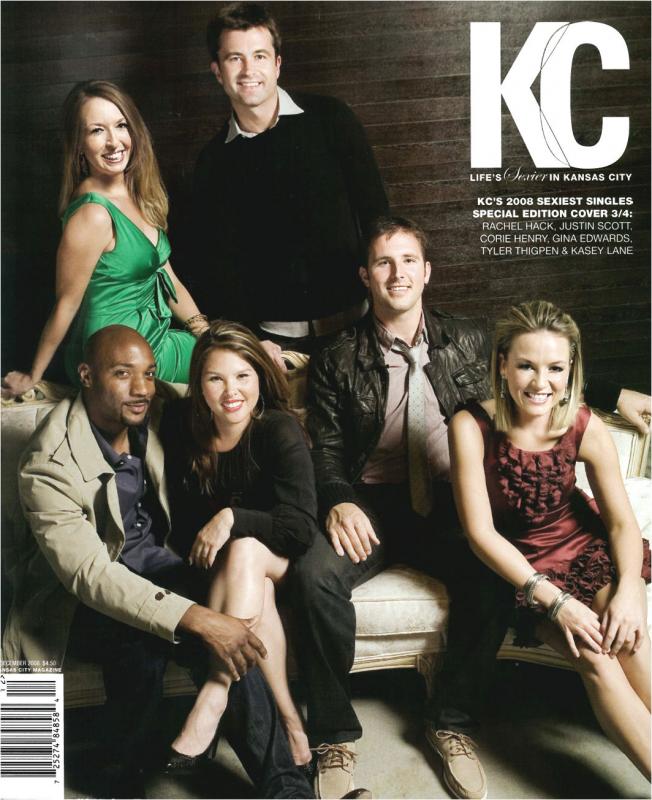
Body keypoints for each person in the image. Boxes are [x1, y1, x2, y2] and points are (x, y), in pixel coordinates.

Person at [293, 215, 652, 800]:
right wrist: (337, 499)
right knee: (313, 576)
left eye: (409, 261)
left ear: (427, 272)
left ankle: (450, 723)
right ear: (365, 275)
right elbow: (326, 449)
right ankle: (333, 736)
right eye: (384, 262)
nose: (398, 273)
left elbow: (541, 365)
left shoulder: (468, 337)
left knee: (491, 581)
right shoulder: (337, 356)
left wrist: (616, 393)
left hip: (450, 499)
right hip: (372, 502)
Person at [1, 325, 313, 799]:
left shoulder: (160, 407)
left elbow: (225, 388)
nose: (142, 387)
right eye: (122, 373)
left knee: (233, 631)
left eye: (149, 373)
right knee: (149, 647)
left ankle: (288, 790)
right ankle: (118, 777)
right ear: (85, 375)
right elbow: (89, 576)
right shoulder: (49, 463)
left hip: (163, 569)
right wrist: (199, 619)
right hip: (80, 597)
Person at [448, 300, 651, 781]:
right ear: (502, 364)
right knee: (596, 657)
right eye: (526, 366)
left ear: (571, 369)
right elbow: (480, 533)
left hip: (582, 546)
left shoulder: (584, 424)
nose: (541, 382)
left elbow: (621, 524)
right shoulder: (469, 425)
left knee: (629, 640)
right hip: (519, 569)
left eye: (555, 368)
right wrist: (556, 602)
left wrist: (629, 591)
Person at [186, 2, 388, 366]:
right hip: (278, 349)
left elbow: (378, 218)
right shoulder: (213, 162)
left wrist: (384, 314)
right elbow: (218, 269)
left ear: (277, 64)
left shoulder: (332, 119)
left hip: (358, 329)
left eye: (259, 56)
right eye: (234, 58)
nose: (249, 70)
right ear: (217, 71)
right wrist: (252, 341)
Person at [159, 320, 317, 771]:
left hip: (278, 558)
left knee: (246, 549)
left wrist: (232, 518)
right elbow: (185, 529)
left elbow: (300, 528)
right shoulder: (180, 425)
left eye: (243, 376)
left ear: (260, 377)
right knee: (251, 582)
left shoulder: (278, 429)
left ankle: (215, 689)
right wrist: (220, 537)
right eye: (216, 378)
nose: (232, 391)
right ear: (199, 385)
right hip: (216, 571)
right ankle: (292, 723)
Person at [1, 80, 208, 400]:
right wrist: (33, 375)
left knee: (227, 355)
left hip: (151, 336)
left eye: (120, 125)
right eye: (97, 130)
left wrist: (204, 331)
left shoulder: (137, 194)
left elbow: (169, 279)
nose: (114, 142)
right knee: (228, 366)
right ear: (79, 145)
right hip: (111, 353)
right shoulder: (93, 214)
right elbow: (66, 304)